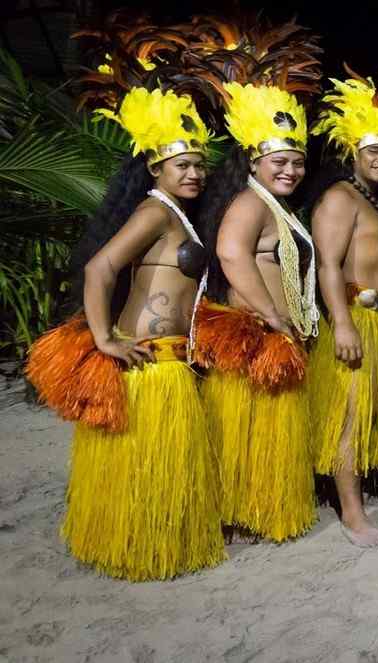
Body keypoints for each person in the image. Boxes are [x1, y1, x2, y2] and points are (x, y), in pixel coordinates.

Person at [26, 85, 225, 580]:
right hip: (148, 360)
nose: (195, 173)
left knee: (161, 463)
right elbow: (99, 270)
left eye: (199, 164)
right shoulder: (155, 211)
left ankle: (151, 545)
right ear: (155, 168)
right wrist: (103, 339)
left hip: (172, 360)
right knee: (147, 463)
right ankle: (140, 550)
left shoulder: (177, 214)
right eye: (183, 165)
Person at [193, 58, 323, 542]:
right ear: (253, 161)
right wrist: (270, 314)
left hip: (276, 335)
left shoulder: (276, 205)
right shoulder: (250, 203)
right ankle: (243, 515)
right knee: (250, 432)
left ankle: (258, 513)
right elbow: (230, 252)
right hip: (256, 334)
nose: (290, 170)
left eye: (297, 162)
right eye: (280, 163)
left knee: (267, 433)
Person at [307, 71, 378, 546]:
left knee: (376, 413)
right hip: (358, 320)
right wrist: (344, 323)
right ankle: (353, 516)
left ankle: (364, 498)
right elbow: (328, 265)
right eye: (374, 150)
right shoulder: (340, 197)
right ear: (354, 151)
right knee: (349, 417)